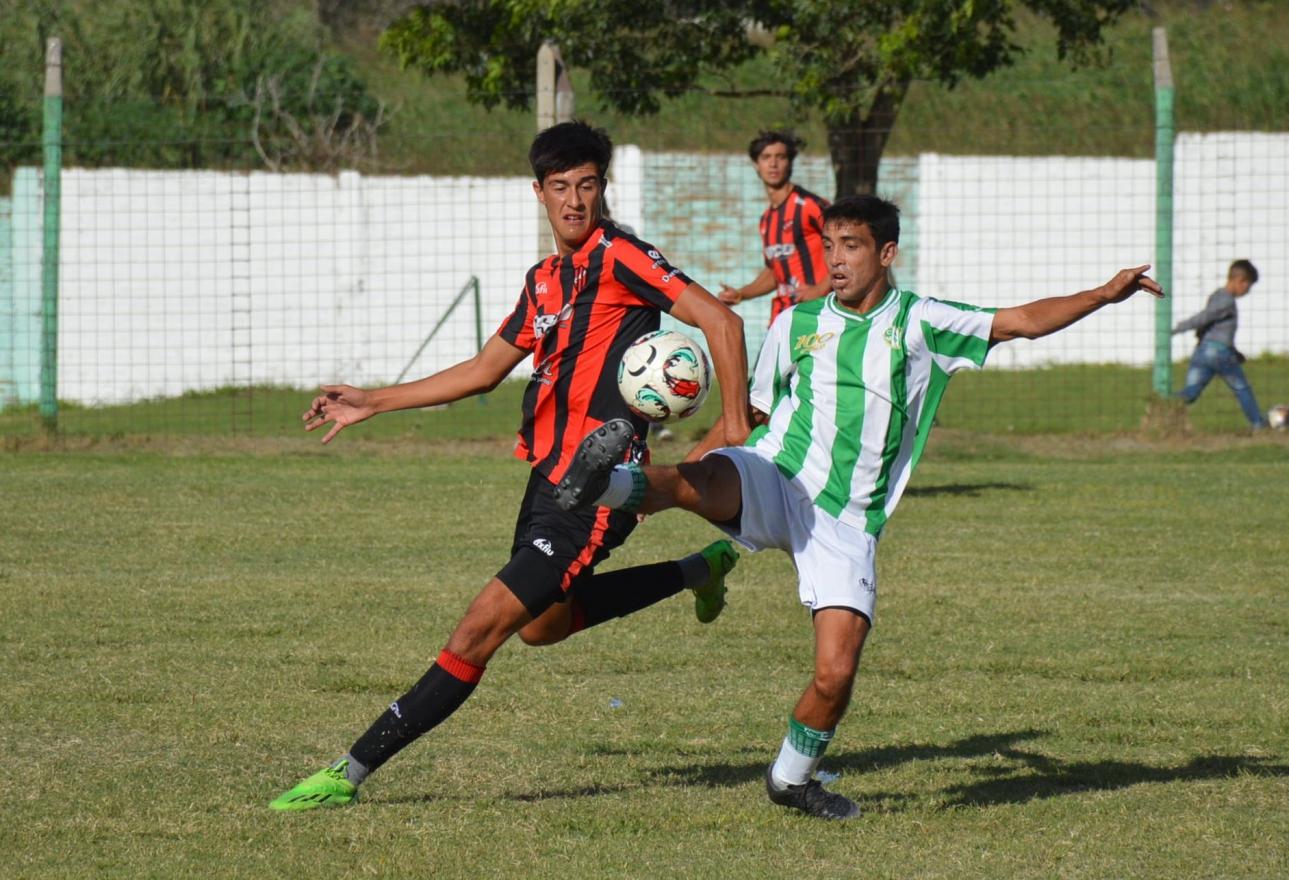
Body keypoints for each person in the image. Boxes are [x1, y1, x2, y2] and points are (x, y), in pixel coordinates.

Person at [555, 195, 1164, 820]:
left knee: (834, 675)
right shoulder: (796, 322)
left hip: (845, 521)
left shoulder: (923, 322)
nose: (837, 261)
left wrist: (1102, 294)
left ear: (887, 253)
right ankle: (601, 483)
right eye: (830, 247)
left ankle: (791, 780)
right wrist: (672, 480)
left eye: (852, 247)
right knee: (705, 480)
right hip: (778, 474)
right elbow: (753, 420)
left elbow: (1023, 320)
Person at [268, 121, 752, 811]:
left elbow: (722, 324)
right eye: (561, 188)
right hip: (545, 482)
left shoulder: (623, 257)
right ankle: (696, 571)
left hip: (596, 487)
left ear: (602, 188)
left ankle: (347, 773)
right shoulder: (546, 281)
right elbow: (485, 369)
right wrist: (372, 400)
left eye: (587, 186)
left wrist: (732, 435)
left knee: (478, 630)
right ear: (540, 192)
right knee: (541, 626)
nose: (575, 201)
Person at [718, 131, 831, 324]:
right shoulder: (766, 220)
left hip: (817, 313)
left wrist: (820, 289)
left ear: (790, 162)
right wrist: (740, 294)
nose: (773, 164)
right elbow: (775, 271)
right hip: (782, 317)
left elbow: (848, 248)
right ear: (756, 164)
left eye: (780, 157)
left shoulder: (810, 206)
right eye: (766, 157)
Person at [1172, 260, 1267, 429]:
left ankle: (1164, 408)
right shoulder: (1226, 301)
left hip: (1203, 352)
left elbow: (1212, 328)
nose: (1247, 290)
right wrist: (1178, 328)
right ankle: (1259, 424)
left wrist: (1235, 351)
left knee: (1191, 392)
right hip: (1220, 354)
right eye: (1248, 286)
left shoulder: (1217, 295)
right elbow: (1205, 317)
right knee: (1241, 388)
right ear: (1240, 281)